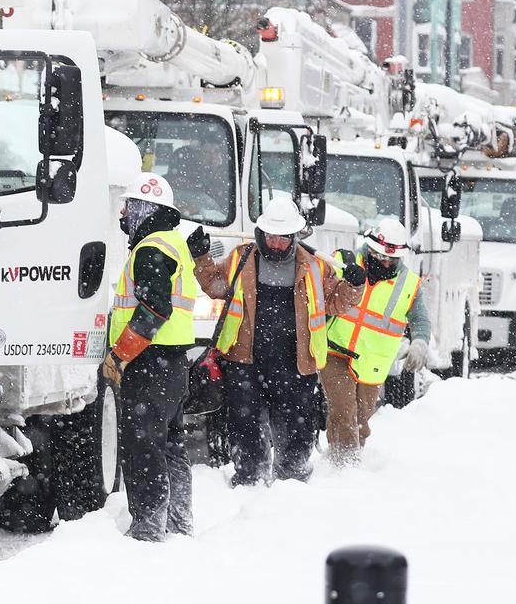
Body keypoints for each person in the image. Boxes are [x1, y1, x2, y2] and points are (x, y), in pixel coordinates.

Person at [194, 196, 363, 485]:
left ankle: (292, 483)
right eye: (270, 236)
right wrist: (201, 257)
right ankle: (250, 480)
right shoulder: (241, 258)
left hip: (296, 366)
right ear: (261, 233)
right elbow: (215, 285)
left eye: (283, 238)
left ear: (294, 236)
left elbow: (336, 302)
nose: (275, 244)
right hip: (245, 362)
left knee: (297, 430)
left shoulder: (315, 267)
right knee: (245, 427)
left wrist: (355, 284)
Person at [102, 173, 212, 540]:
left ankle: (148, 529)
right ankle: (179, 523)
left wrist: (119, 356)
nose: (124, 214)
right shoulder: (172, 243)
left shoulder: (150, 248)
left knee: (143, 446)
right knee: (170, 444)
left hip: (150, 362)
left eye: (130, 207)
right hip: (173, 363)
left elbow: (153, 311)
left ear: (145, 210)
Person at [321, 217, 430, 465]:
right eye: (378, 255)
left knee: (360, 420)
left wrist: (420, 342)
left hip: (373, 362)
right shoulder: (343, 262)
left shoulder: (409, 284)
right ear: (368, 248)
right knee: (343, 409)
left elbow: (420, 318)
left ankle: (341, 459)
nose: (384, 261)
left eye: (390, 259)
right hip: (335, 350)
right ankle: (345, 466)